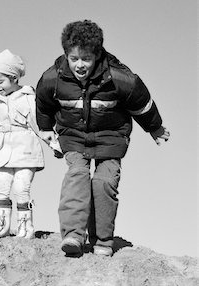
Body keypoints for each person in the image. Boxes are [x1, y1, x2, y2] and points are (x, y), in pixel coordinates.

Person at [35, 20, 170, 257]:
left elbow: (142, 105)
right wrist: (45, 128)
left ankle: (103, 240)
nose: (79, 65)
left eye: (86, 58)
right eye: (73, 58)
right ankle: (73, 236)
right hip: (74, 136)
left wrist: (155, 128)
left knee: (104, 182)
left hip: (111, 138)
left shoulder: (120, 78)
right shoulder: (53, 78)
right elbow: (44, 104)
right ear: (65, 54)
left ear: (97, 55)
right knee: (77, 175)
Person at [0, 49, 56, 239]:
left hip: (25, 149)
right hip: (3, 150)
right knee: (1, 184)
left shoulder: (28, 98)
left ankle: (25, 225)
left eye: (0, 81)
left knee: (21, 186)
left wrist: (54, 144)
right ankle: (2, 224)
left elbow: (39, 124)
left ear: (14, 77)